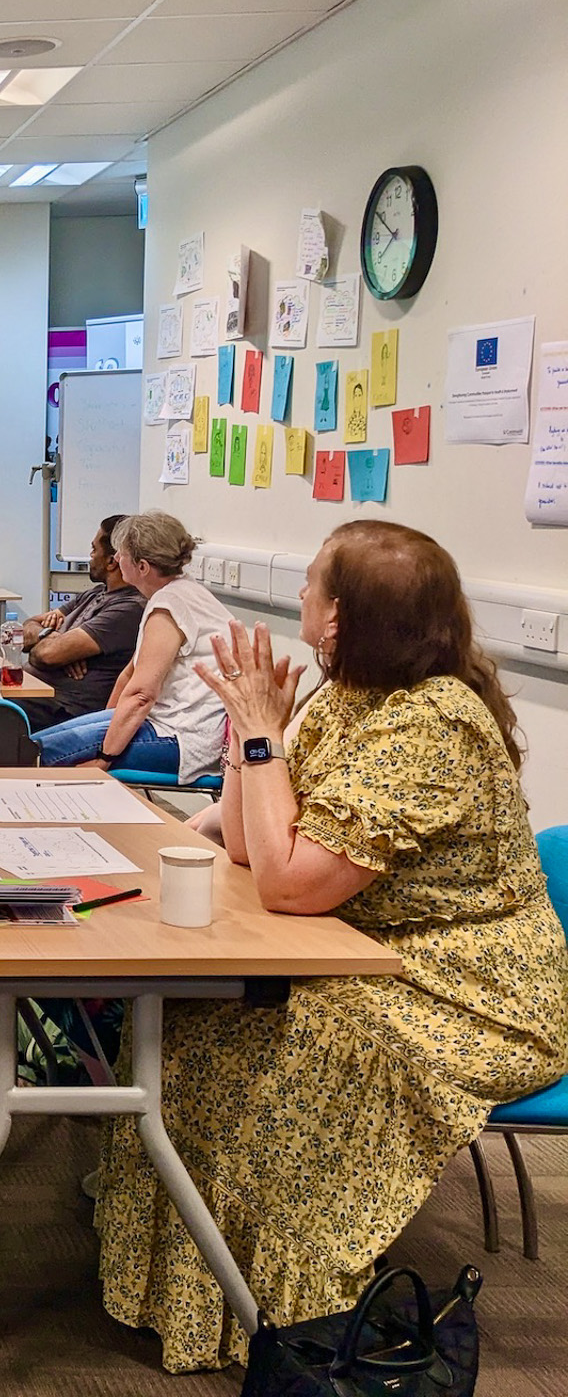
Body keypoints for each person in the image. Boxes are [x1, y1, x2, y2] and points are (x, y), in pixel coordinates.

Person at [96, 521, 568, 1371]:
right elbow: (248, 848)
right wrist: (251, 731)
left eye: (312, 584)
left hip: (468, 990)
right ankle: (198, 1286)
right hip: (367, 949)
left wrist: (259, 734)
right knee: (196, 1025)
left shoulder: (433, 723)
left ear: (342, 615)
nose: (300, 598)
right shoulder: (348, 695)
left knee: (287, 1044)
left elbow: (285, 885)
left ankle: (292, 1316)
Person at [31, 510, 232, 782]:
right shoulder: (179, 593)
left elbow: (141, 695)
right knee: (32, 744)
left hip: (182, 738)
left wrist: (104, 757)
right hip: (167, 724)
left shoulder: (168, 607)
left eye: (122, 553)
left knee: (37, 755)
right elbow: (129, 676)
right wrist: (106, 722)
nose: (116, 559)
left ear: (142, 567)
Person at [19, 514, 145, 731]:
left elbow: (48, 655)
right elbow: (25, 629)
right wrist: (54, 638)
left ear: (112, 561)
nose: (90, 557)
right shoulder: (94, 593)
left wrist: (55, 649)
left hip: (65, 710)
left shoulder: (129, 608)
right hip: (38, 697)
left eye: (94, 550)